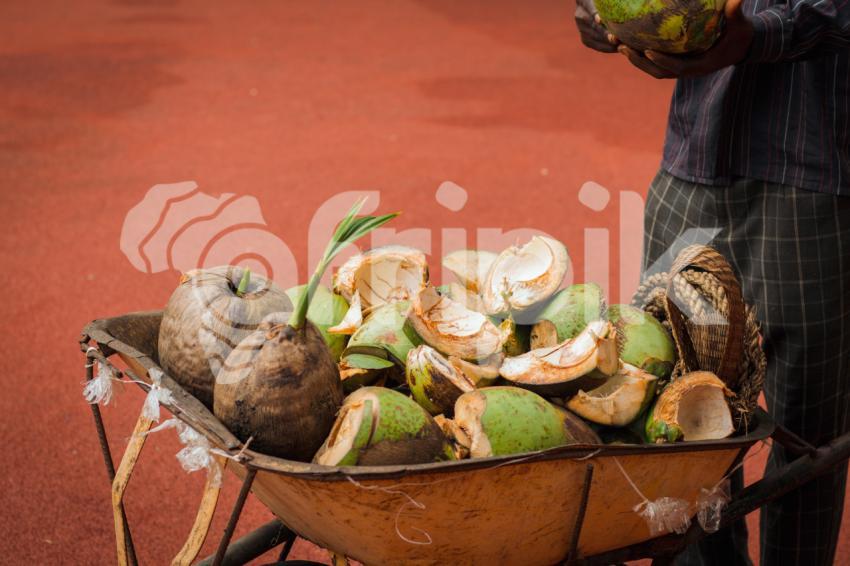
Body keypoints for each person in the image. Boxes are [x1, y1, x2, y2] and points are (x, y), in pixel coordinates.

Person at [575, 0, 850, 564]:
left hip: (814, 172)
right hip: (694, 156)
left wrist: (756, 35)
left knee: (808, 441)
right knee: (672, 411)